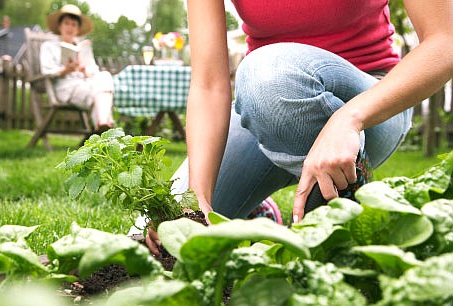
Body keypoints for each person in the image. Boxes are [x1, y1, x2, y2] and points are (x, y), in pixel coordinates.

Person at [146, 0, 453, 253]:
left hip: (371, 102)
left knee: (268, 73)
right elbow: (209, 84)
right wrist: (196, 199)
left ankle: (342, 219)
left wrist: (348, 117)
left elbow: (445, 41)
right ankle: (259, 215)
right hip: (265, 100)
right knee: (166, 236)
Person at [40, 4, 115, 132]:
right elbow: (47, 71)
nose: (70, 27)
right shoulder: (48, 47)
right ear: (60, 26)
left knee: (105, 76)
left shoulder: (83, 48)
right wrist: (65, 70)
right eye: (67, 23)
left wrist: (83, 69)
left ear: (78, 28)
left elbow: (94, 72)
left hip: (86, 83)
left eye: (74, 24)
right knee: (102, 96)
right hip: (66, 88)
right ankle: (105, 126)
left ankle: (102, 124)